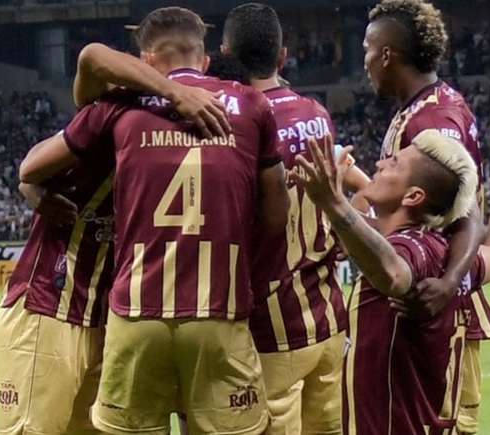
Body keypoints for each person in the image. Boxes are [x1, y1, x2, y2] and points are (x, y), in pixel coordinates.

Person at [19, 6, 289, 435]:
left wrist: (33, 189)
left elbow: (31, 168)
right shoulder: (252, 105)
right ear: (203, 58)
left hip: (136, 313)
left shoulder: (118, 106)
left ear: (144, 61)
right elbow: (276, 217)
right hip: (217, 312)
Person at [290, 126, 490, 434]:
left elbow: (394, 273)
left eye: (394, 164)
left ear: (414, 196)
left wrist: (334, 205)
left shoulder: (412, 249)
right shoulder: (446, 255)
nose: (379, 165)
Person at [221, 4, 369, 433]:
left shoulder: (237, 123)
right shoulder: (315, 115)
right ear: (283, 57)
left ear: (226, 53)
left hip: (270, 326)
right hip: (325, 315)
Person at [362, 2, 490, 432]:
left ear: (388, 54)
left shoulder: (435, 119)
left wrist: (446, 283)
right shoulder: (419, 108)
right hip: (418, 305)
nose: (363, 59)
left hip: (438, 315)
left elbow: (469, 215)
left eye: (368, 47)